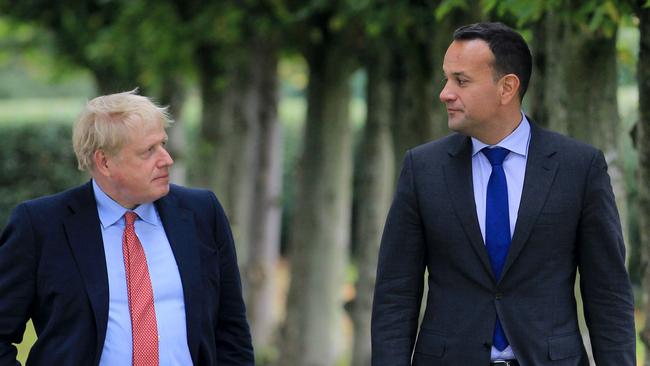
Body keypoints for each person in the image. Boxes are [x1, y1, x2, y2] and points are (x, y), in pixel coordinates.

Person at [371, 22, 635, 365]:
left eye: (461, 81)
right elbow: (396, 295)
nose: (445, 93)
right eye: (446, 78)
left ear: (507, 87)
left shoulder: (579, 167)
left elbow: (608, 294)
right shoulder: (422, 169)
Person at [0, 90, 254, 365]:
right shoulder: (40, 225)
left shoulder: (202, 213)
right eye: (148, 151)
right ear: (104, 162)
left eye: (163, 144)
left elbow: (232, 331)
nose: (166, 159)